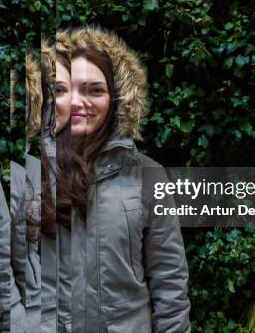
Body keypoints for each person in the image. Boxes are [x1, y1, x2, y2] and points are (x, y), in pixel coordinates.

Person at [52, 26, 191, 332]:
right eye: (66, 89)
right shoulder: (35, 176)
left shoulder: (149, 176)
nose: (79, 102)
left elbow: (170, 285)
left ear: (116, 99)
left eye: (94, 90)